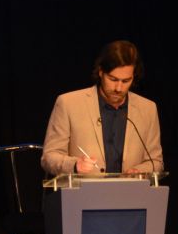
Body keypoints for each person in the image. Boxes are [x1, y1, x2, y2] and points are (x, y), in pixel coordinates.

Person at [41, 40, 164, 176]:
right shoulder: (68, 103)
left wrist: (139, 171)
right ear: (101, 72)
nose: (119, 88)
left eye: (125, 81)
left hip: (130, 194)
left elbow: (156, 162)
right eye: (113, 79)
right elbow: (49, 157)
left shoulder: (148, 109)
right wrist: (75, 165)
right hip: (84, 194)